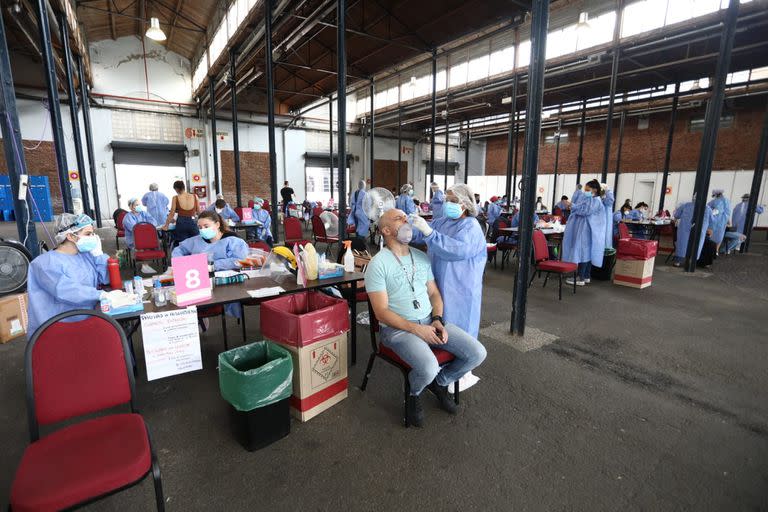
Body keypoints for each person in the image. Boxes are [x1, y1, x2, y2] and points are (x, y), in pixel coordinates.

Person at [365, 208, 487, 427]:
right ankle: (413, 393)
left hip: (430, 322)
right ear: (385, 230)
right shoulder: (377, 264)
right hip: (398, 330)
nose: (406, 220)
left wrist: (438, 319)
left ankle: (440, 383)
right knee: (428, 367)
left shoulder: (421, 257)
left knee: (477, 353)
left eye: (406, 217)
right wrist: (416, 329)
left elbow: (434, 294)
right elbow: (381, 312)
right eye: (399, 218)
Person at [410, 184, 486, 391]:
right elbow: (423, 235)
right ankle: (435, 363)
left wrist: (428, 233)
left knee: (461, 329)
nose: (448, 204)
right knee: (439, 321)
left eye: (453, 201)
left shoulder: (471, 226)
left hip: (461, 288)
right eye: (447, 200)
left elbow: (456, 250)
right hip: (438, 284)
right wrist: (409, 228)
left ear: (466, 204)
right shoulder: (443, 221)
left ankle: (453, 372)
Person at [27, 213, 110, 336]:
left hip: (88, 319)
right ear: (71, 236)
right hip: (57, 327)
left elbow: (105, 279)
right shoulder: (44, 264)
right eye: (88, 234)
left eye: (93, 233)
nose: (93, 238)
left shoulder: (86, 256)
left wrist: (99, 255)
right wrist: (100, 294)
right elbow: (67, 291)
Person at [562, 180, 606, 285]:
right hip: (586, 229)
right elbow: (581, 206)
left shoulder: (596, 201)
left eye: (587, 190)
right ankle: (586, 276)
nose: (585, 192)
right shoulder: (590, 198)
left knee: (582, 252)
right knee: (587, 252)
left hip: (586, 230)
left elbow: (585, 211)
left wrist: (572, 206)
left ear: (595, 190)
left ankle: (580, 278)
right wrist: (573, 204)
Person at [672, 197, 714, 267]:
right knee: (697, 245)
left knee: (682, 244)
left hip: (684, 230)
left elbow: (677, 215)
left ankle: (678, 261)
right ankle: (692, 262)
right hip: (699, 231)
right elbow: (712, 221)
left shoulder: (685, 205)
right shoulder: (708, 209)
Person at [163, 180, 199, 246]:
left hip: (181, 223)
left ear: (176, 189)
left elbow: (172, 213)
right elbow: (199, 212)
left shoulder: (175, 198)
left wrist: (166, 225)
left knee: (183, 246)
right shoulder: (195, 196)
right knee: (195, 244)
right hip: (193, 222)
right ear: (184, 187)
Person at [601, 184, 615, 249]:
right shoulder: (602, 196)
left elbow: (609, 202)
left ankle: (606, 247)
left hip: (606, 216)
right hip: (602, 215)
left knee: (606, 231)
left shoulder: (609, 194)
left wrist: (603, 198)